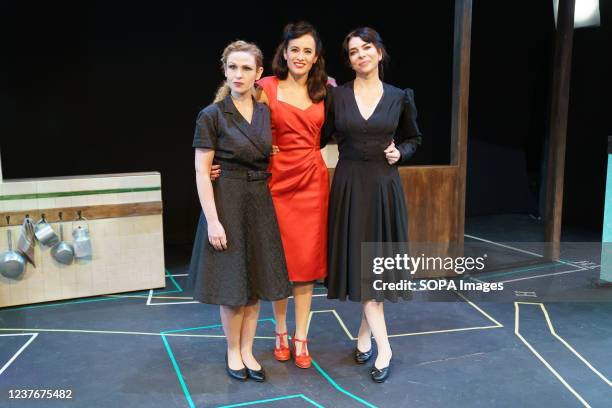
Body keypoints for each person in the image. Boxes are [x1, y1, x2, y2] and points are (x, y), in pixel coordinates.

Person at [211, 22, 329, 369]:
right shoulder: (265, 85)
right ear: (285, 51)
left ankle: (301, 338)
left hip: (311, 182)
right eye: (295, 49)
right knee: (277, 261)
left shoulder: (326, 91)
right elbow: (228, 113)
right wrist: (216, 160)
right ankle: (278, 332)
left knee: (306, 265)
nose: (300, 56)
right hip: (274, 181)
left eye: (308, 50)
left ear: (316, 56)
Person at [322, 27, 423, 383]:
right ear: (348, 60)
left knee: (373, 270)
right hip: (349, 187)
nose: (360, 54)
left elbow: (414, 137)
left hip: (383, 187)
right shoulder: (337, 97)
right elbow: (317, 136)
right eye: (352, 51)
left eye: (366, 48)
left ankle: (380, 346)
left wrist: (402, 152)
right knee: (366, 271)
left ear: (379, 52)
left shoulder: (400, 96)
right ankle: (372, 342)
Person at [188, 40, 292, 382]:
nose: (239, 74)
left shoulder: (264, 112)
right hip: (228, 203)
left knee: (255, 282)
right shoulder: (212, 115)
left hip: (258, 202)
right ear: (224, 70)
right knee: (233, 287)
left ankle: (248, 349)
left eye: (247, 68)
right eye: (233, 67)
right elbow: (203, 171)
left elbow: (266, 151)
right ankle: (233, 351)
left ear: (258, 73)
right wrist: (214, 221)